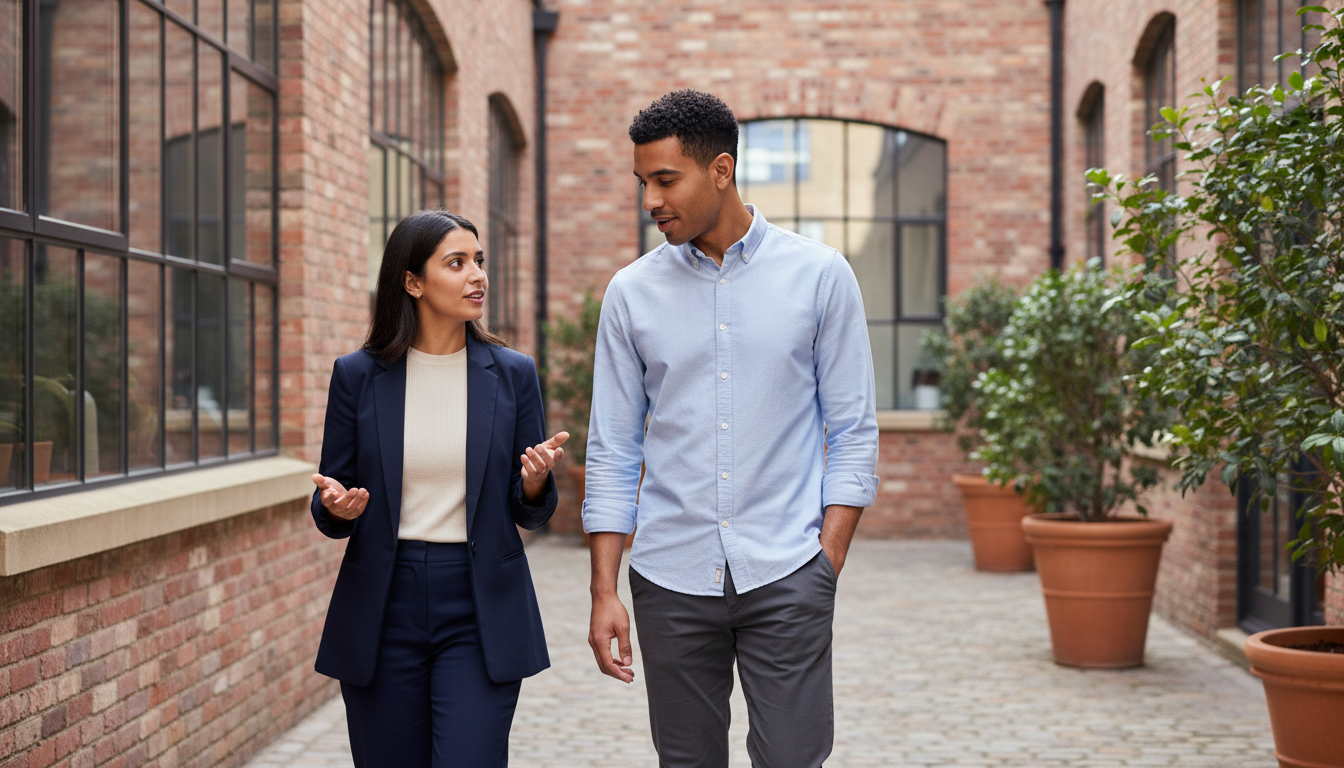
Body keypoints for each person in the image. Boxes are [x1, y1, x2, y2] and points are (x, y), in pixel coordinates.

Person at [582, 89, 880, 768]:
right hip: (669, 578)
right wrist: (605, 589)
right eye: (643, 183)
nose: (651, 200)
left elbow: (853, 430)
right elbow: (613, 449)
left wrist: (823, 563)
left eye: (666, 180)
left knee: (792, 759)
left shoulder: (820, 277)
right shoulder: (631, 294)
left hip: (788, 571)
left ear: (720, 170)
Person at [310, 209, 566, 768]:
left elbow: (532, 510)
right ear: (413, 281)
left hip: (480, 606)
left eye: (479, 261)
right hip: (384, 603)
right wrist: (337, 506)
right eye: (457, 263)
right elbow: (331, 499)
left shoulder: (513, 373)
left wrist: (535, 481)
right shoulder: (357, 375)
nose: (477, 275)